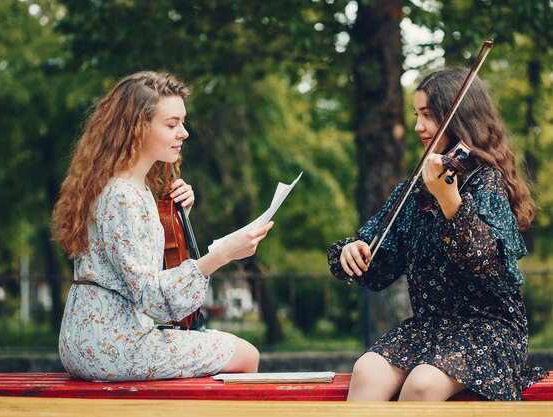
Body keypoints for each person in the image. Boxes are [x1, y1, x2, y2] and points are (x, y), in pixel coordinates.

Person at [327, 67, 548, 401]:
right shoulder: (413, 192)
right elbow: (380, 271)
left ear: (458, 119)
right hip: (431, 326)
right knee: (367, 370)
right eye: (417, 115)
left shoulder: (487, 184)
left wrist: (450, 201)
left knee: (422, 384)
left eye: (429, 116)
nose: (419, 126)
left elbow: (486, 266)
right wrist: (352, 251)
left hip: (489, 329)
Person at [52, 71, 274, 382]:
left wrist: (175, 214)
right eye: (171, 125)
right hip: (113, 345)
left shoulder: (133, 188)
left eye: (182, 123)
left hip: (98, 338)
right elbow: (152, 298)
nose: (183, 133)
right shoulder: (122, 195)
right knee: (246, 356)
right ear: (137, 128)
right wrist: (221, 255)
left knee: (235, 352)